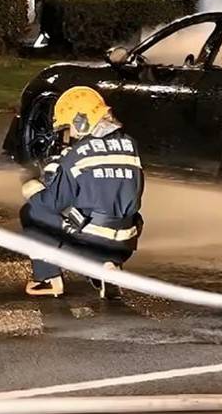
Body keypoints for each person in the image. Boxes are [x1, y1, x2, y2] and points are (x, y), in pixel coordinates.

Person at [20, 86, 144, 299]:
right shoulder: (130, 145)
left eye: (69, 126)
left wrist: (34, 189)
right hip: (124, 245)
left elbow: (51, 203)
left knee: (32, 211)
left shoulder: (76, 156)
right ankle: (107, 267)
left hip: (90, 242)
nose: (69, 133)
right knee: (94, 210)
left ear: (81, 120)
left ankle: (48, 279)